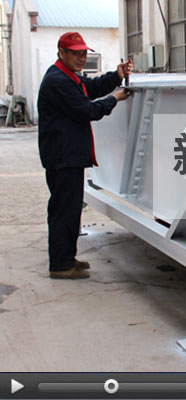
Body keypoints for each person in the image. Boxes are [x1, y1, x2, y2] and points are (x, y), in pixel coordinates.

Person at [38, 32, 132, 279]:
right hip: (63, 157)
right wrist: (114, 99)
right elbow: (87, 110)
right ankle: (61, 266)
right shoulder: (58, 81)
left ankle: (66, 258)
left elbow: (91, 87)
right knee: (64, 212)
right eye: (75, 53)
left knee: (69, 211)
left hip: (67, 155)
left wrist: (116, 75)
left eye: (83, 53)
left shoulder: (68, 77)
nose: (81, 58)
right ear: (62, 53)